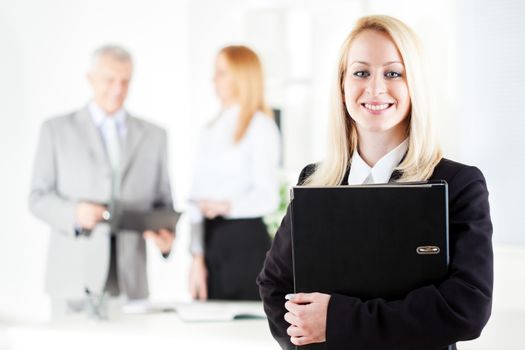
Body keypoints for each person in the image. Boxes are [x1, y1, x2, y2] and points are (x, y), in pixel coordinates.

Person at [257, 15, 493, 350]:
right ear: (343, 85)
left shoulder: (457, 184)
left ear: (415, 86)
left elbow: (466, 307)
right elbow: (275, 286)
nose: (375, 88)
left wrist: (337, 321)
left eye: (393, 73)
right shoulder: (315, 181)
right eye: (361, 72)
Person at [29, 45, 175, 316]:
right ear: (90, 79)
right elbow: (37, 197)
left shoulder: (155, 136)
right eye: (109, 80)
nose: (117, 89)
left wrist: (166, 237)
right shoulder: (56, 130)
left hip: (131, 284)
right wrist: (74, 213)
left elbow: (163, 202)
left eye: (125, 81)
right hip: (73, 280)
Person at [188, 45, 281, 301]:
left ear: (242, 76)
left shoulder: (260, 127)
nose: (213, 79)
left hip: (244, 241)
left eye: (222, 72)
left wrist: (225, 206)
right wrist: (196, 258)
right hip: (210, 243)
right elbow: (195, 197)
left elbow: (268, 197)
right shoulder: (209, 129)